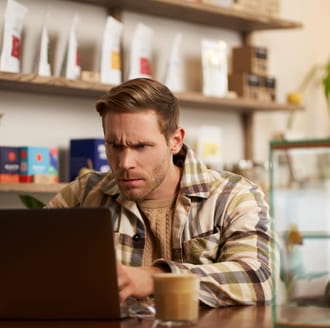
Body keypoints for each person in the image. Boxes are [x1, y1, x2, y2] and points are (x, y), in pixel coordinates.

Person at [46, 78, 272, 308]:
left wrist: (156, 277)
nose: (125, 163)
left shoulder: (234, 196)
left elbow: (258, 277)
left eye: (141, 146)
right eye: (115, 145)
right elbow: (27, 262)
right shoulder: (84, 192)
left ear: (175, 141)